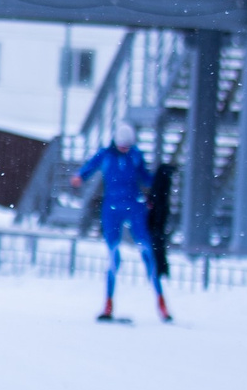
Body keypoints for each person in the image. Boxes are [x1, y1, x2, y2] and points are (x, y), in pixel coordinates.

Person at [70, 127, 172, 323]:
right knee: (113, 256)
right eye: (122, 146)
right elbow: (90, 166)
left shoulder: (135, 155)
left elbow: (146, 177)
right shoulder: (106, 155)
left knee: (147, 251)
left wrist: (160, 179)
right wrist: (80, 176)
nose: (125, 149)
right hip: (112, 208)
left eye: (128, 146)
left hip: (134, 206)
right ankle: (108, 304)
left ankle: (161, 303)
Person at [146, 160, 175, 279]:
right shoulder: (164, 182)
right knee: (158, 242)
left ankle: (159, 268)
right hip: (159, 215)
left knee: (156, 242)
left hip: (157, 215)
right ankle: (160, 268)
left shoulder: (160, 182)